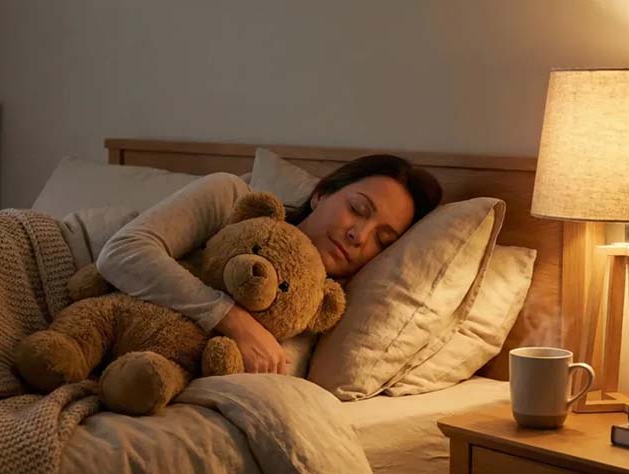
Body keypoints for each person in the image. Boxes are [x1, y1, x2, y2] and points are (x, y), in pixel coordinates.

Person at [96, 154, 443, 375]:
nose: (359, 235)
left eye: (382, 239)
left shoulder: (317, 310)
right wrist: (233, 320)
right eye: (357, 209)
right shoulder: (232, 197)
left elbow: (272, 367)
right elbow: (122, 253)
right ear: (322, 193)